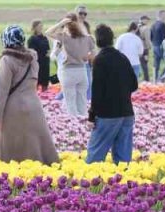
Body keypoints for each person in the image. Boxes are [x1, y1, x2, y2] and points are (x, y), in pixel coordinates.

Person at [0, 25, 59, 164]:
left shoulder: (7, 60)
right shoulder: (33, 57)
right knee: (33, 145)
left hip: (13, 107)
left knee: (10, 149)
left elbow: (2, 93)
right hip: (34, 106)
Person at [87, 24, 138, 164]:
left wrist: (91, 116)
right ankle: (123, 185)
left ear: (97, 41)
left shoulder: (99, 60)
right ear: (112, 39)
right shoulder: (123, 58)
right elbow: (134, 85)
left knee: (95, 157)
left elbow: (97, 92)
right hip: (127, 112)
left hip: (108, 114)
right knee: (123, 161)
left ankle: (91, 185)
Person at [46, 13, 96, 116]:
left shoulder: (64, 37)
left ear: (66, 23)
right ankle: (83, 124)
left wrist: (61, 23)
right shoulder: (88, 38)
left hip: (68, 71)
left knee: (70, 104)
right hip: (82, 71)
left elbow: (48, 32)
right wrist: (84, 56)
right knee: (82, 102)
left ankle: (74, 127)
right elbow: (93, 55)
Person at [27, 20, 51, 91]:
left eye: (41, 26)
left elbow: (48, 48)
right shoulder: (32, 39)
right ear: (34, 28)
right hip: (37, 61)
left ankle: (45, 92)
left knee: (45, 80)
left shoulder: (44, 38)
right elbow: (31, 51)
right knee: (36, 80)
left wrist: (48, 53)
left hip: (45, 62)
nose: (41, 28)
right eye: (39, 26)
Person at [150, 10, 165, 83]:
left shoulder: (153, 25)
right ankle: (162, 78)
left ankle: (155, 80)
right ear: (161, 15)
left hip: (155, 46)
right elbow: (164, 37)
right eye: (164, 15)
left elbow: (151, 36)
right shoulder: (163, 24)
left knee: (156, 64)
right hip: (161, 46)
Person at [136, 15, 152, 82]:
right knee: (144, 64)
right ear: (143, 20)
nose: (148, 21)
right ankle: (146, 79)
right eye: (147, 20)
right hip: (144, 48)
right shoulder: (146, 28)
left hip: (137, 48)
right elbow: (147, 39)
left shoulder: (137, 27)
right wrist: (149, 47)